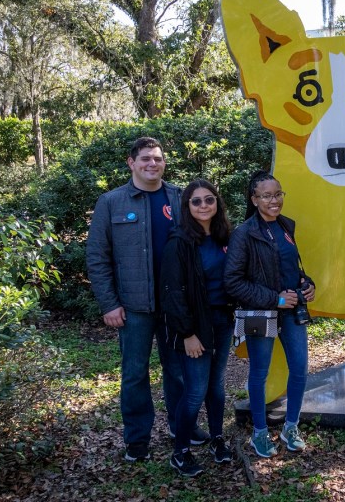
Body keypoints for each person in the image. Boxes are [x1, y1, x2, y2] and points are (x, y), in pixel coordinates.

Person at [86, 136, 207, 463]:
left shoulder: (180, 198)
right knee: (134, 374)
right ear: (131, 162)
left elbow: (198, 248)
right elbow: (97, 257)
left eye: (157, 158)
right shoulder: (111, 202)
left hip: (174, 308)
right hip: (133, 308)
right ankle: (137, 439)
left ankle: (181, 426)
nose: (152, 164)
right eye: (145, 159)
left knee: (179, 371)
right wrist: (109, 303)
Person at [224, 171, 315, 458]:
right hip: (260, 313)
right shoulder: (243, 233)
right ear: (254, 199)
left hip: (292, 312)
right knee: (259, 373)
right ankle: (259, 433)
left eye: (277, 194)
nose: (274, 200)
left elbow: (288, 266)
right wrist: (274, 298)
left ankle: (291, 427)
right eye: (266, 196)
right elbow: (233, 281)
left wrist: (306, 283)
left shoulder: (286, 226)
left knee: (300, 368)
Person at [160, 180, 234, 477]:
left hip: (223, 320)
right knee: (194, 391)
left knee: (216, 386)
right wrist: (187, 334)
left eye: (209, 200)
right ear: (187, 206)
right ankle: (180, 452)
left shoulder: (224, 236)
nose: (204, 206)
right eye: (196, 201)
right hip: (194, 327)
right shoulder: (179, 242)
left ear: (217, 203)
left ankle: (217, 439)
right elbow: (172, 292)